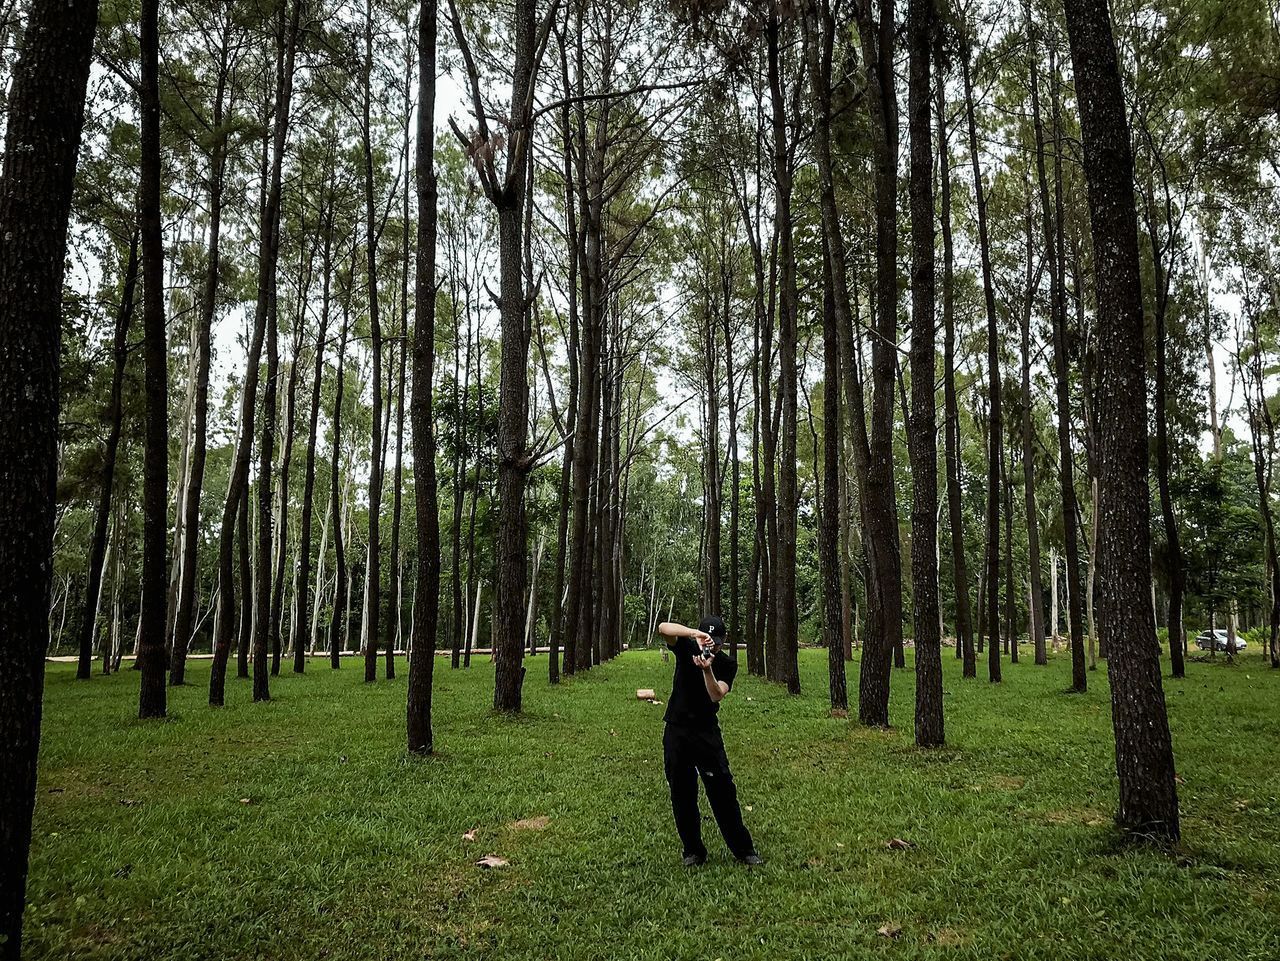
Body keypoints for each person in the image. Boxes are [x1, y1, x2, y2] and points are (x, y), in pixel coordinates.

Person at [657, 615, 762, 867]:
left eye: (716, 641)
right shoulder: (686, 646)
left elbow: (716, 695)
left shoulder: (726, 664)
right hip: (677, 729)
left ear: (723, 641)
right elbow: (663, 628)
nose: (711, 645)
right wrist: (693, 634)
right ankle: (693, 851)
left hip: (706, 733)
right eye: (708, 639)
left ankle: (743, 849)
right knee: (682, 792)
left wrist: (707, 671)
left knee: (722, 791)